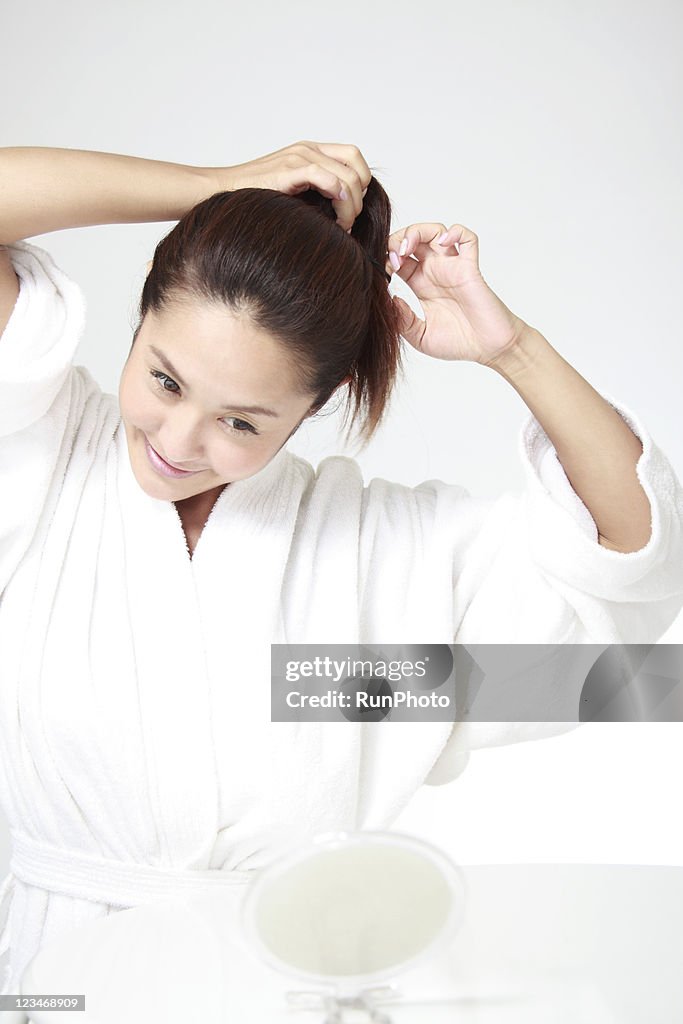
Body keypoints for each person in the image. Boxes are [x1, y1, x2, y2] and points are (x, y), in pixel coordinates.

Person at [1, 141, 682, 996]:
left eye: (241, 423)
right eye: (165, 380)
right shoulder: (39, 461)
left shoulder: (375, 562)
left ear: (311, 407)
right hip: (55, 987)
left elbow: (626, 563)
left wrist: (513, 350)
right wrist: (216, 189)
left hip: (285, 991)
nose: (178, 443)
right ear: (139, 315)